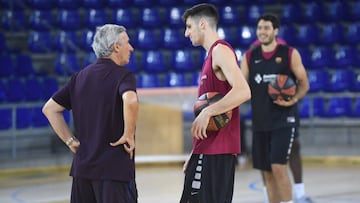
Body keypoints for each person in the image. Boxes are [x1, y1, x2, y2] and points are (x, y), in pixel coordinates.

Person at [42, 24, 139, 203]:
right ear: (116, 47)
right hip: (114, 171)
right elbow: (131, 100)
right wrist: (129, 134)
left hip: (82, 171)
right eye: (127, 42)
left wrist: (70, 141)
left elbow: (50, 109)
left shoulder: (79, 77)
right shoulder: (123, 75)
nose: (131, 48)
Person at [180, 3, 251, 203]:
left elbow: (243, 91)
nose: (186, 33)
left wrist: (207, 112)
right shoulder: (211, 54)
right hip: (207, 151)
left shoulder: (220, 50)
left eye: (189, 27)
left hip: (216, 151)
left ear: (202, 24)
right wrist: (195, 152)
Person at [240, 14, 310, 203]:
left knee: (278, 167)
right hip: (260, 122)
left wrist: (293, 98)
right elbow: (239, 85)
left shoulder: (289, 53)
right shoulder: (249, 57)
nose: (262, 32)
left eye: (267, 28)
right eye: (260, 28)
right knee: (267, 173)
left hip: (283, 120)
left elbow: (304, 83)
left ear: (276, 31)